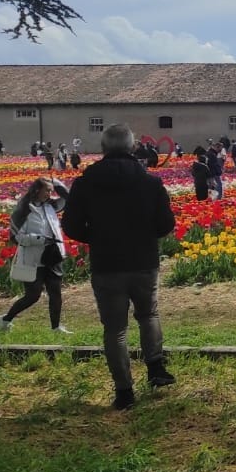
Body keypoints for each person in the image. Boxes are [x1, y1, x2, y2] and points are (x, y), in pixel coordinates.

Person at [60, 125, 176, 411]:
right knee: (148, 314)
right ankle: (155, 369)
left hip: (106, 263)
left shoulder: (85, 183)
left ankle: (124, 391)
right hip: (143, 261)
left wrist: (98, 237)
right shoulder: (150, 183)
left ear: (103, 147)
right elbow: (166, 224)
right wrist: (143, 235)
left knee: (115, 330)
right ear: (133, 147)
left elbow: (71, 225)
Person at [0, 177, 72, 334]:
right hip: (33, 259)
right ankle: (5, 319)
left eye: (51, 191)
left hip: (53, 256)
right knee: (33, 296)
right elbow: (16, 237)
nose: (50, 194)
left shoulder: (51, 206)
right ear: (37, 190)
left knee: (55, 293)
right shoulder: (23, 210)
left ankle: (56, 327)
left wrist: (57, 184)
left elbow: (69, 199)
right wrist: (39, 240)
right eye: (47, 190)